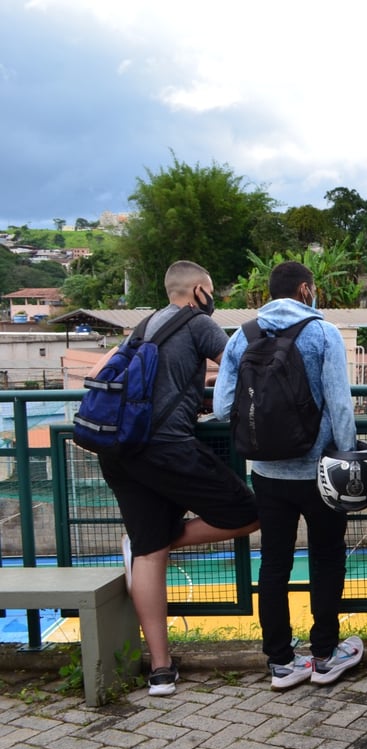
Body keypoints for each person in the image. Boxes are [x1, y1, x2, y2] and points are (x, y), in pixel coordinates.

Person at [97, 260, 260, 696]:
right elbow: (240, 369)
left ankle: (161, 671)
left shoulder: (145, 323)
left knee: (148, 552)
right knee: (249, 512)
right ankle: (164, 538)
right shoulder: (198, 323)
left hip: (118, 449)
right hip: (166, 448)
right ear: (200, 291)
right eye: (211, 292)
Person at [213, 261, 363, 690]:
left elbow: (225, 407)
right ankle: (324, 654)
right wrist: (347, 458)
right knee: (327, 557)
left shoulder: (243, 335)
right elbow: (340, 406)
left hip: (266, 472)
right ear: (304, 289)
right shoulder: (323, 333)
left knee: (274, 563)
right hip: (319, 472)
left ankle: (280, 663)